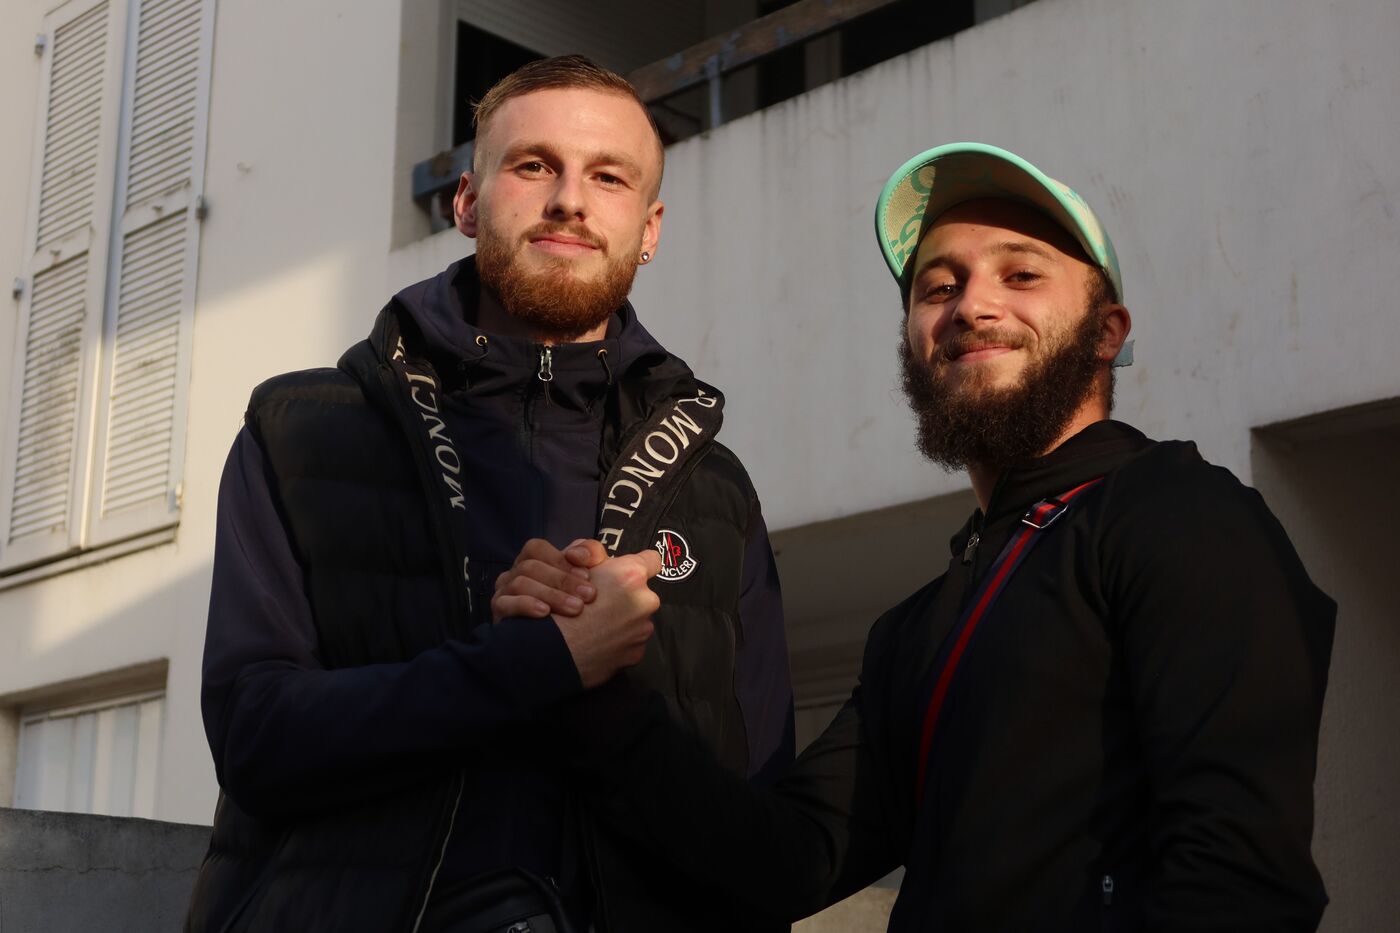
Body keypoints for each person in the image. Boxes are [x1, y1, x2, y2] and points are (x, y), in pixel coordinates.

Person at [547, 143, 1337, 931]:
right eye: (938, 287)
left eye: (1020, 274)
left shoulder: (1177, 510)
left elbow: (1241, 878)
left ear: (1106, 331)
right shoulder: (920, 625)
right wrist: (585, 681)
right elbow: (785, 859)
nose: (971, 307)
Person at [185, 56, 793, 933]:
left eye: (609, 177)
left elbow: (757, 840)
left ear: (650, 226)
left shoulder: (716, 491)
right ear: (467, 202)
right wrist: (533, 663)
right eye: (535, 164)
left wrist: (592, 687)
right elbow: (256, 739)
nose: (571, 200)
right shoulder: (302, 428)